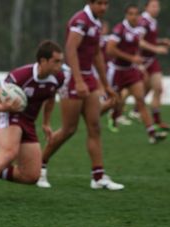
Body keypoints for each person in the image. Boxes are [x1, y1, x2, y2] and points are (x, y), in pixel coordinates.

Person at [0, 40, 65, 206]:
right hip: (10, 115)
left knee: (31, 175)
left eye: (61, 61)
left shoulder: (59, 78)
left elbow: (50, 98)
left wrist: (46, 123)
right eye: (56, 61)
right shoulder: (21, 75)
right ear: (43, 61)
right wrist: (3, 107)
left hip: (29, 122)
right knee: (9, 153)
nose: (60, 65)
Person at [37, 0, 124, 190]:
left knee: (95, 126)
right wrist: (77, 80)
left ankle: (98, 177)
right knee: (69, 129)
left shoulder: (97, 22)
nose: (104, 7)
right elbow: (70, 49)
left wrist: (106, 85)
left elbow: (98, 55)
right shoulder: (81, 21)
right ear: (90, 3)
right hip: (73, 77)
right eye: (100, 3)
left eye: (106, 3)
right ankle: (40, 166)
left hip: (88, 78)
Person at [105, 4, 166, 143]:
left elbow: (136, 46)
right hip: (117, 72)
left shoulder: (139, 29)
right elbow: (110, 50)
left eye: (136, 14)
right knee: (113, 101)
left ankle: (152, 134)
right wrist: (131, 58)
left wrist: (139, 65)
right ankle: (102, 117)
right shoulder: (119, 29)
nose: (134, 16)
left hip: (131, 71)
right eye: (131, 14)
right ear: (126, 15)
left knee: (140, 101)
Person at [136, 0, 170, 130]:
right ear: (146, 7)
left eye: (158, 6)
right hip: (140, 61)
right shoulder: (143, 21)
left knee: (158, 88)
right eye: (153, 6)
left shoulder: (153, 21)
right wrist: (157, 49)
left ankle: (158, 121)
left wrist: (161, 41)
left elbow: (149, 40)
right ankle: (118, 112)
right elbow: (139, 42)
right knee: (130, 91)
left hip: (151, 60)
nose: (157, 8)